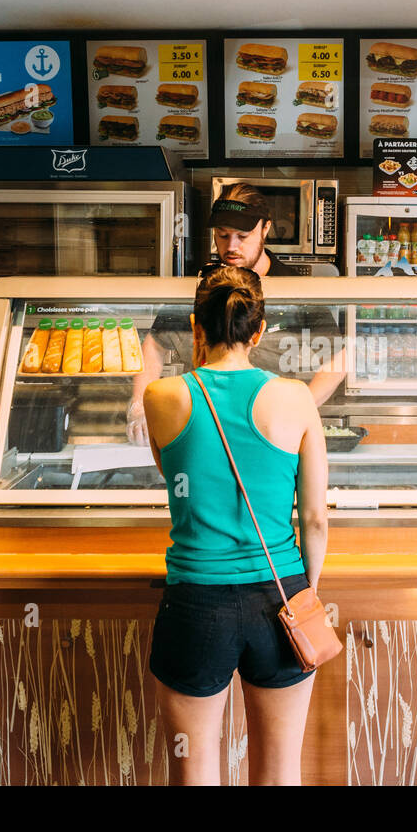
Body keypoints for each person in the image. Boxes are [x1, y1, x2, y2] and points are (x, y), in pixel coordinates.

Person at [143, 265, 329, 785]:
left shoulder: (161, 398)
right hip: (281, 598)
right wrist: (305, 593)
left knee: (194, 774)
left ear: (194, 326)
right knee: (278, 774)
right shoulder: (296, 398)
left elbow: (177, 474)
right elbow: (314, 518)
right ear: (260, 330)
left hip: (196, 603)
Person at [128, 182, 344, 444]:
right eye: (222, 235)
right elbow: (154, 343)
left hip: (271, 429)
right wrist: (139, 405)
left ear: (265, 228)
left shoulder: (293, 288)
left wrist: (302, 407)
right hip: (204, 426)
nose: (230, 247)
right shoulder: (203, 284)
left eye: (242, 236)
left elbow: (339, 358)